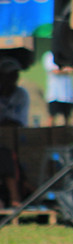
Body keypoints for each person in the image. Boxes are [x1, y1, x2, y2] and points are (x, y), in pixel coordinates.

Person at [0, 57, 30, 208]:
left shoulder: (21, 95)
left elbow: (16, 122)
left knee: (7, 157)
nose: (12, 79)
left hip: (16, 140)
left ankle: (14, 199)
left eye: (14, 75)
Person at [43, 50, 73, 126]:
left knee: (67, 118)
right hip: (54, 94)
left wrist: (67, 70)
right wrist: (67, 70)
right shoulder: (49, 55)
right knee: (52, 117)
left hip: (67, 94)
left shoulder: (70, 54)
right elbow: (54, 71)